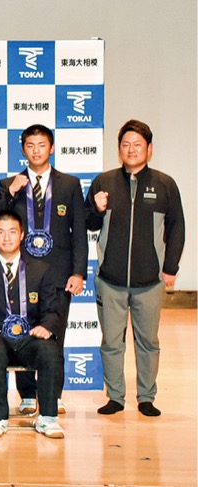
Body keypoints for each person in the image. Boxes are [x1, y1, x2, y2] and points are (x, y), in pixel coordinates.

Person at [87, 119, 185, 417]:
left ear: (149, 149)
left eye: (137, 145)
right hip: (110, 280)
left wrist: (170, 268)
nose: (131, 150)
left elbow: (177, 228)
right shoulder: (104, 182)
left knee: (148, 342)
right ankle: (115, 397)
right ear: (119, 149)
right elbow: (89, 224)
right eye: (126, 144)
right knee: (111, 343)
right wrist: (97, 209)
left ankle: (146, 397)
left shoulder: (165, 184)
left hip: (150, 281)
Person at [0, 124, 87, 414]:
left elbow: (79, 232)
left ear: (52, 148)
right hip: (21, 274)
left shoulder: (69, 184)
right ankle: (26, 394)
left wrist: (78, 272)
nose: (36, 151)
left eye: (41, 145)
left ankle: (53, 395)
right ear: (23, 149)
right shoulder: (10, 184)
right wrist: (10, 194)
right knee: (21, 331)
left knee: (54, 335)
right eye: (30, 145)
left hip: (59, 275)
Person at [0, 210, 64, 439]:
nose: (6, 238)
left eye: (12, 232)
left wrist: (46, 326)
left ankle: (48, 418)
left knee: (50, 350)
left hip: (28, 338)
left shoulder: (40, 269)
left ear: (22, 235)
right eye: (0, 232)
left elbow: (52, 310)